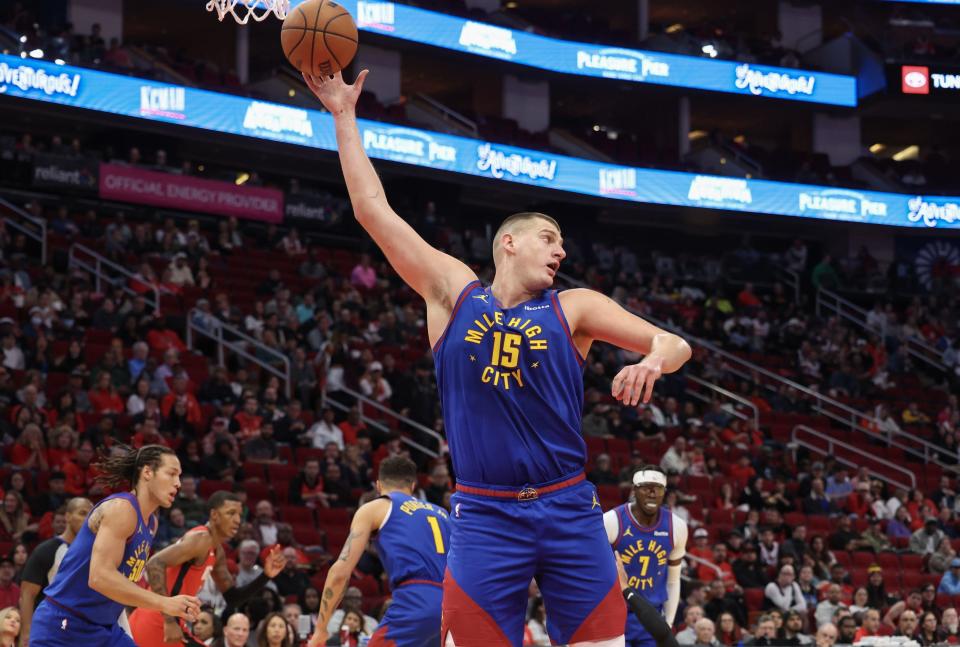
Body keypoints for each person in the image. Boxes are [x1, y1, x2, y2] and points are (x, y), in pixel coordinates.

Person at [303, 70, 692, 647]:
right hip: (485, 517)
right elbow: (371, 209)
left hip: (567, 508)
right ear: (508, 243)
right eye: (548, 237)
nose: (561, 249)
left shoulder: (574, 307)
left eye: (562, 243)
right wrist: (342, 115)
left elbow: (674, 342)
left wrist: (652, 362)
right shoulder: (453, 291)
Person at [30, 444, 202, 647]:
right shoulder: (122, 509)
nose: (178, 483)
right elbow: (100, 577)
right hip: (65, 625)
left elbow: (121, 586)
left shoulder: (151, 523)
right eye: (172, 474)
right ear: (147, 472)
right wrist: (165, 603)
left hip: (104, 628)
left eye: (179, 476)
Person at [307, 456, 450, 647]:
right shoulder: (442, 513)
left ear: (378, 485)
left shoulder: (377, 508)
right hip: (448, 606)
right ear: (413, 485)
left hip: (415, 600)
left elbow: (340, 572)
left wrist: (321, 629)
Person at [129, 491, 287, 647]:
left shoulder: (216, 551)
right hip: (157, 621)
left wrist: (266, 575)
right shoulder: (201, 539)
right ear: (214, 515)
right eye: (231, 513)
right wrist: (168, 620)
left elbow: (233, 598)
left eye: (239, 514)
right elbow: (154, 563)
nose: (237, 520)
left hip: (168, 621)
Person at [605, 466, 687, 647]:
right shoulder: (611, 520)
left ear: (664, 492)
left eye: (657, 488)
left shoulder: (677, 526)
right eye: (645, 487)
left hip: (651, 617)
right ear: (634, 490)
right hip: (614, 614)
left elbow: (673, 581)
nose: (652, 493)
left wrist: (668, 623)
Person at [18, 497, 94, 646]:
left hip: (81, 627)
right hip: (50, 626)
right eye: (82, 513)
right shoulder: (47, 549)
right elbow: (27, 594)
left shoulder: (93, 552)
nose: (87, 519)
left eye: (90, 514)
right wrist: (27, 631)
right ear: (67, 516)